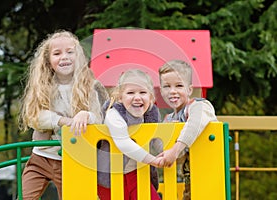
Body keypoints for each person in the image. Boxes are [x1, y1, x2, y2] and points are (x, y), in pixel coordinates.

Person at [18, 30, 108, 200]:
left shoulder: (89, 86)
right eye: (57, 53)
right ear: (48, 61)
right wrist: (63, 121)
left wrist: (85, 115)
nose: (64, 57)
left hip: (70, 159)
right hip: (41, 157)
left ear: (79, 56)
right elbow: (35, 116)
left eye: (70, 52)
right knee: (25, 197)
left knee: (72, 196)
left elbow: (99, 116)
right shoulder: (43, 86)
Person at [97, 69, 163, 200]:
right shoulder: (114, 113)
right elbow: (123, 143)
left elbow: (158, 139)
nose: (137, 97)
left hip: (137, 171)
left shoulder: (152, 113)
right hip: (110, 174)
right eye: (131, 93)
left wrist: (169, 153)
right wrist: (153, 160)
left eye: (143, 92)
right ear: (120, 97)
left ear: (150, 97)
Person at [157, 60, 217, 200]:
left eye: (179, 85)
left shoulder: (199, 106)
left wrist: (175, 149)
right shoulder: (169, 119)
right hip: (189, 178)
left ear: (189, 89)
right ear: (161, 91)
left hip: (210, 176)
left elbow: (194, 124)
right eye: (167, 86)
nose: (172, 91)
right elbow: (164, 148)